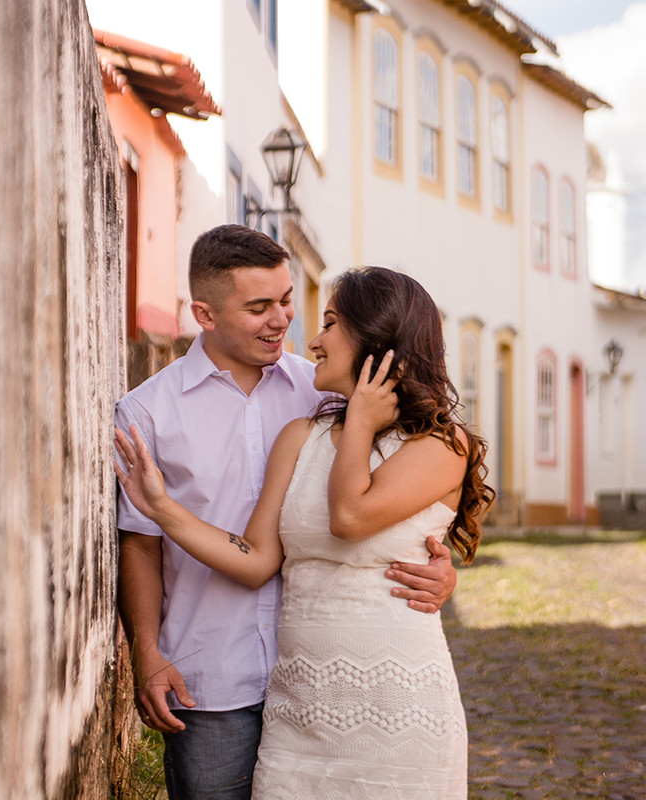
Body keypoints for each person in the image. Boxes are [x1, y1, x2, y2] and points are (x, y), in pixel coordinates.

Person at [116, 265, 495, 798]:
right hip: (300, 713)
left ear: (376, 343)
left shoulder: (440, 444)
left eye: (332, 324)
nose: (312, 339)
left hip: (396, 706)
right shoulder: (300, 435)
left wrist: (360, 423)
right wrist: (162, 508)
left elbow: (350, 518)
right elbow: (254, 560)